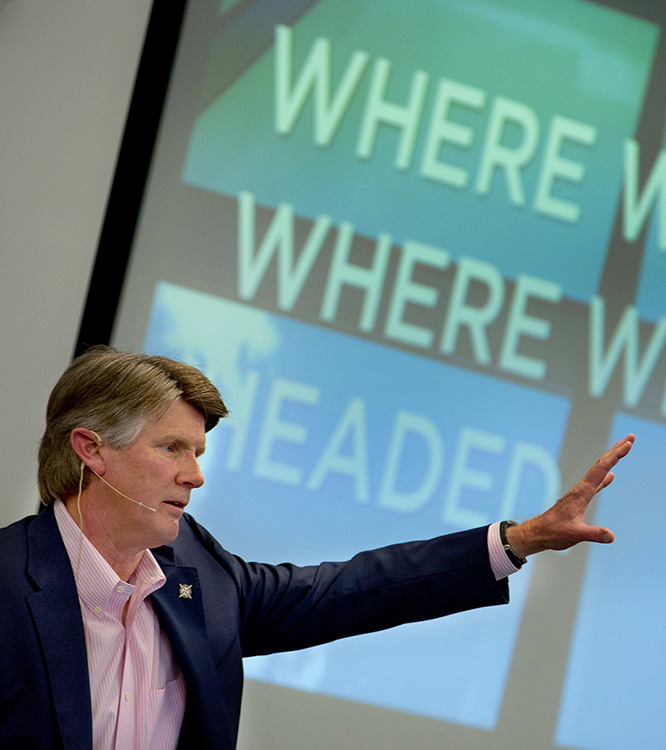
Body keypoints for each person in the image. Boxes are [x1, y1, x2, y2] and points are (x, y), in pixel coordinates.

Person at [0, 346, 634, 749]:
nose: (195, 476)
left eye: (198, 453)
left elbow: (346, 590)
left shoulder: (196, 572)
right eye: (172, 448)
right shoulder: (9, 582)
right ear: (92, 449)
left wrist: (517, 540)